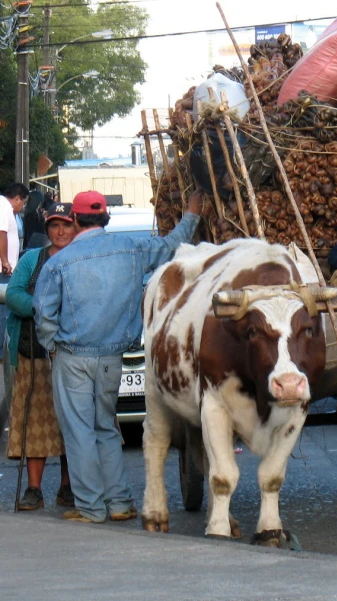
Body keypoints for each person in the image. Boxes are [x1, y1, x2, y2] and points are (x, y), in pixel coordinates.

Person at [33, 189, 202, 523]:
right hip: (113, 357)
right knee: (106, 429)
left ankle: (91, 508)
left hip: (73, 356)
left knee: (79, 432)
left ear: (75, 219)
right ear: (105, 218)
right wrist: (192, 214)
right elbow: (172, 244)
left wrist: (52, 345)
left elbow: (43, 311)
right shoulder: (131, 249)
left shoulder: (59, 262)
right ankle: (121, 503)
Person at [5, 202, 77, 510]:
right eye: (54, 226)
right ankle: (33, 489)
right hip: (33, 354)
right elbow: (14, 294)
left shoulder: (82, 259)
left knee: (72, 423)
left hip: (75, 356)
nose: (60, 231)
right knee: (35, 421)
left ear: (76, 227)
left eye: (66, 225)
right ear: (47, 229)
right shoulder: (32, 259)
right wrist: (45, 306)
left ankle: (69, 486)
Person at [0, 183, 30, 361]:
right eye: (23, 202)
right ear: (17, 198)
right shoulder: (4, 206)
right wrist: (4, 260)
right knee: (4, 311)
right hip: (3, 269)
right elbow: (1, 233)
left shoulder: (6, 208)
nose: (23, 206)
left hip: (6, 267)